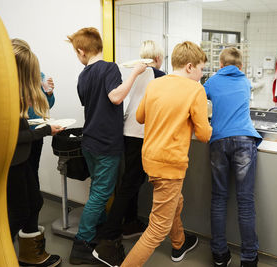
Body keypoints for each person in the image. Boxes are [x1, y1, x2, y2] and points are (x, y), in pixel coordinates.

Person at [120, 41, 212, 267]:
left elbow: (141, 117)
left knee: (174, 203)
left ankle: (179, 242)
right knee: (156, 229)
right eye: (201, 69)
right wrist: (201, 122)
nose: (201, 75)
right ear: (190, 67)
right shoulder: (195, 90)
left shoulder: (155, 84)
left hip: (150, 160)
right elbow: (203, 135)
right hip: (170, 165)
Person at [66, 27, 146, 265]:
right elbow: (115, 97)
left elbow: (92, 101)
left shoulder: (84, 74)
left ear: (82, 51)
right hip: (106, 143)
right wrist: (135, 74)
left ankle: (97, 230)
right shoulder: (109, 68)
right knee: (102, 192)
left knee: (97, 190)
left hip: (89, 141)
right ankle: (82, 243)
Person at [92, 40, 166, 266]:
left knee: (131, 181)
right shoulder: (160, 75)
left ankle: (131, 223)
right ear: (159, 58)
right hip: (143, 134)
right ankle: (109, 234)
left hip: (127, 132)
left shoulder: (134, 73)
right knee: (130, 184)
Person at [203, 47, 262, 267]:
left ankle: (219, 254)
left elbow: (199, 99)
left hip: (219, 141)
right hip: (245, 141)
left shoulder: (212, 82)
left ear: (219, 65)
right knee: (245, 201)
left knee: (219, 198)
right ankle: (248, 258)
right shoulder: (245, 81)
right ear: (240, 66)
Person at [8, 39, 64, 267]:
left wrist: (47, 92)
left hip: (29, 143)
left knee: (32, 201)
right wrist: (44, 130)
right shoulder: (5, 93)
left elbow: (44, 105)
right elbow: (11, 135)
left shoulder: (27, 79)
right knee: (21, 208)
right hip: (17, 150)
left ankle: (30, 255)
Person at [10, 39, 57, 194]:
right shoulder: (6, 82)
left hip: (36, 132)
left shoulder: (38, 75)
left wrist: (49, 93)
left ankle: (33, 201)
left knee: (31, 171)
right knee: (20, 177)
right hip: (19, 135)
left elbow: (46, 106)